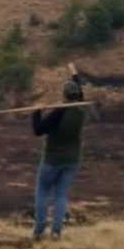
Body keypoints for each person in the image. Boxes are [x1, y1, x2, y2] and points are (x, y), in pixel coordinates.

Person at [30, 79, 88, 240]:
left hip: (52, 160)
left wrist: (36, 112)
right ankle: (56, 232)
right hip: (72, 160)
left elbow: (38, 130)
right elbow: (81, 94)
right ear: (77, 95)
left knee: (42, 192)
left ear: (64, 95)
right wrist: (76, 77)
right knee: (61, 195)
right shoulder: (82, 110)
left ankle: (39, 231)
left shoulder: (59, 112)